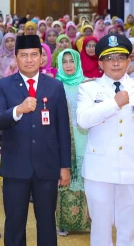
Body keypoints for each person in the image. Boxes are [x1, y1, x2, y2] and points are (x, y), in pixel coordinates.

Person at [76, 34, 134, 246]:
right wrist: (113, 103)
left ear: (128, 60)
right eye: (109, 57)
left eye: (121, 57)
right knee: (100, 231)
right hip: (99, 172)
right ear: (100, 62)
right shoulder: (88, 88)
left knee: (129, 231)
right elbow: (83, 121)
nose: (116, 62)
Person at [0, 35, 71, 246]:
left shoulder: (54, 86)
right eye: (23, 55)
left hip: (47, 166)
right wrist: (18, 110)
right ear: (15, 58)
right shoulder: (3, 86)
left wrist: (65, 166)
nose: (29, 60)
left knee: (46, 222)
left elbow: (63, 128)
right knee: (15, 222)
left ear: (42, 57)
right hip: (15, 167)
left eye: (34, 55)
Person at [55, 48, 90, 236]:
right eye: (65, 61)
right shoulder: (54, 85)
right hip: (63, 140)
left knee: (86, 178)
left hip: (85, 138)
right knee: (65, 178)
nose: (68, 65)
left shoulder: (86, 85)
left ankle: (88, 220)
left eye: (72, 61)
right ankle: (65, 222)